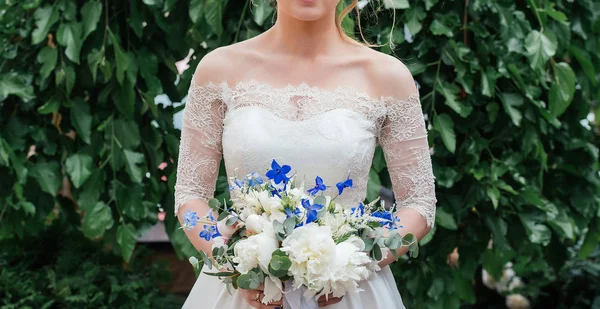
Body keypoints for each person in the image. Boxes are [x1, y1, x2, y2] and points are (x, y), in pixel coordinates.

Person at [174, 0, 437, 308]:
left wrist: (351, 264)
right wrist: (232, 265)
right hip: (245, 294)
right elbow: (191, 193)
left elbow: (419, 204)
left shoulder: (388, 76)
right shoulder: (218, 70)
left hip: (348, 294)